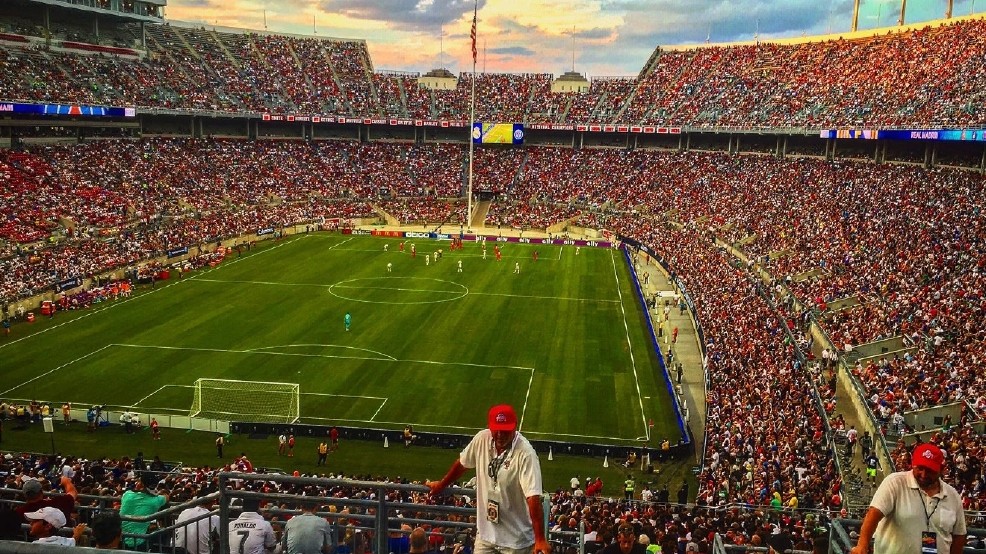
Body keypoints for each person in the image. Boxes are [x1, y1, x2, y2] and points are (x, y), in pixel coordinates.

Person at [427, 404, 550, 554]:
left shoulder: (526, 454)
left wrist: (540, 539)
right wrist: (442, 484)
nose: (499, 434)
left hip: (516, 542)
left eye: (505, 430)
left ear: (514, 427)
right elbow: (462, 464)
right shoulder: (482, 439)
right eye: (496, 429)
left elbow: (533, 497)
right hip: (486, 536)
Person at [851, 442, 966, 554]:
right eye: (920, 468)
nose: (923, 475)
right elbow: (873, 515)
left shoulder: (952, 495)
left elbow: (959, 535)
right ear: (912, 464)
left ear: (941, 469)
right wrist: (862, 545)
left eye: (930, 471)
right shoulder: (895, 482)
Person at [120, 472, 169, 550]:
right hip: (139, 542)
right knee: (164, 532)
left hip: (121, 540)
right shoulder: (156, 500)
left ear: (140, 484)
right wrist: (159, 493)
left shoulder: (127, 495)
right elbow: (166, 496)